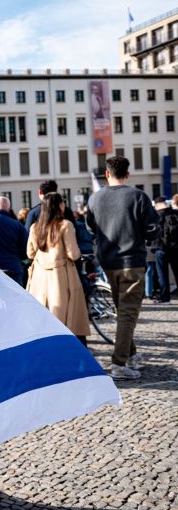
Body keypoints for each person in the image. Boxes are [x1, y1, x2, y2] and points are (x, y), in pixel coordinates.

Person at [85, 156, 160, 380]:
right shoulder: (138, 196)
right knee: (127, 313)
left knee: (123, 311)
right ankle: (119, 363)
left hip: (108, 262)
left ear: (107, 174)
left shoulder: (95, 199)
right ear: (127, 174)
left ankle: (131, 355)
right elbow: (153, 230)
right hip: (132, 262)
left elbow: (90, 229)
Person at [26, 193, 90, 345]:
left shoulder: (35, 227)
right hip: (61, 276)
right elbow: (73, 253)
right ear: (58, 206)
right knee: (69, 317)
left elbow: (29, 252)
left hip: (39, 278)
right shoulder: (65, 225)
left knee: (43, 316)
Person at [153, 196, 178, 303]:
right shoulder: (175, 213)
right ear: (165, 203)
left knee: (162, 274)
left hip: (160, 248)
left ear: (157, 205)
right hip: (176, 248)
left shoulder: (154, 216)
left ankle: (165, 298)